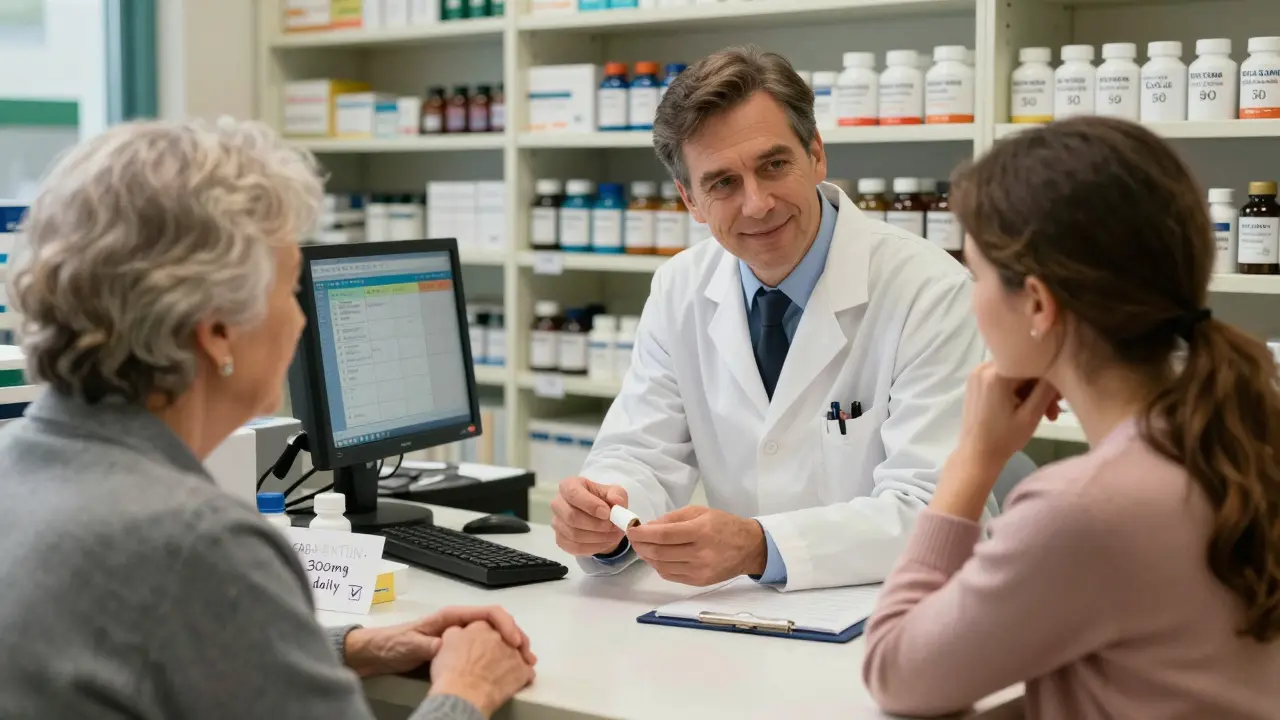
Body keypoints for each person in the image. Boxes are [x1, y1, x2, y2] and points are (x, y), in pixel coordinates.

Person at [0, 119, 535, 720]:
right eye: (289, 289)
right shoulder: (198, 543)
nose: (302, 319)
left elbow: (137, 656)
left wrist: (351, 646)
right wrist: (467, 688)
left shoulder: (16, 465)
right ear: (219, 333)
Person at [863, 117, 1280, 718]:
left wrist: (971, 461)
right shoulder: (1237, 441)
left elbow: (896, 673)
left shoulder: (1083, 508)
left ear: (1037, 303)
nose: (971, 295)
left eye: (975, 275)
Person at [551, 46, 989, 591]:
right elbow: (640, 451)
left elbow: (937, 513)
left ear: (816, 154)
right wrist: (606, 513)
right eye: (722, 183)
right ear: (690, 199)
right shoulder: (679, 286)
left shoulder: (930, 290)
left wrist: (761, 546)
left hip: (885, 613)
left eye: (773, 165)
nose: (757, 204)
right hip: (739, 617)